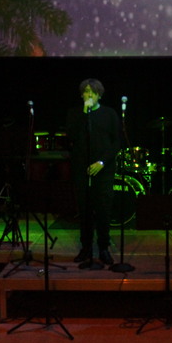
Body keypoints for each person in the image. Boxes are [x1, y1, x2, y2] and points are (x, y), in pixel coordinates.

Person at [65, 78, 120, 266]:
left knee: (103, 209)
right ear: (82, 95)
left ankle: (103, 247)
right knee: (85, 210)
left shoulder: (109, 114)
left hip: (104, 169)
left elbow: (116, 142)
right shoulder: (74, 114)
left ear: (99, 95)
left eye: (93, 92)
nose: (89, 95)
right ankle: (86, 247)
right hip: (82, 169)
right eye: (86, 92)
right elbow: (71, 137)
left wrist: (102, 162)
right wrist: (83, 114)